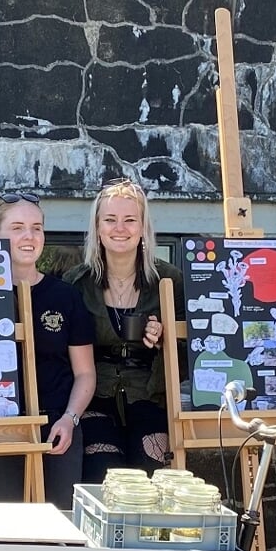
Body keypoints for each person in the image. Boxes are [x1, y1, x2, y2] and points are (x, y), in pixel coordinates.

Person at [0, 191, 96, 509]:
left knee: (59, 534)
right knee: (0, 535)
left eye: (36, 228)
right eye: (18, 227)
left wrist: (70, 418)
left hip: (55, 431)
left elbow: (85, 373)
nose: (29, 236)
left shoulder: (65, 296)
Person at [73, 177, 171, 479]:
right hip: (95, 396)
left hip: (150, 396)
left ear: (142, 227)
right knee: (103, 476)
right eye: (110, 220)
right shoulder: (76, 283)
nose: (120, 228)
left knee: (152, 471)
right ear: (98, 228)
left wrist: (166, 335)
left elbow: (195, 350)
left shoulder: (169, 281)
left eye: (130, 220)